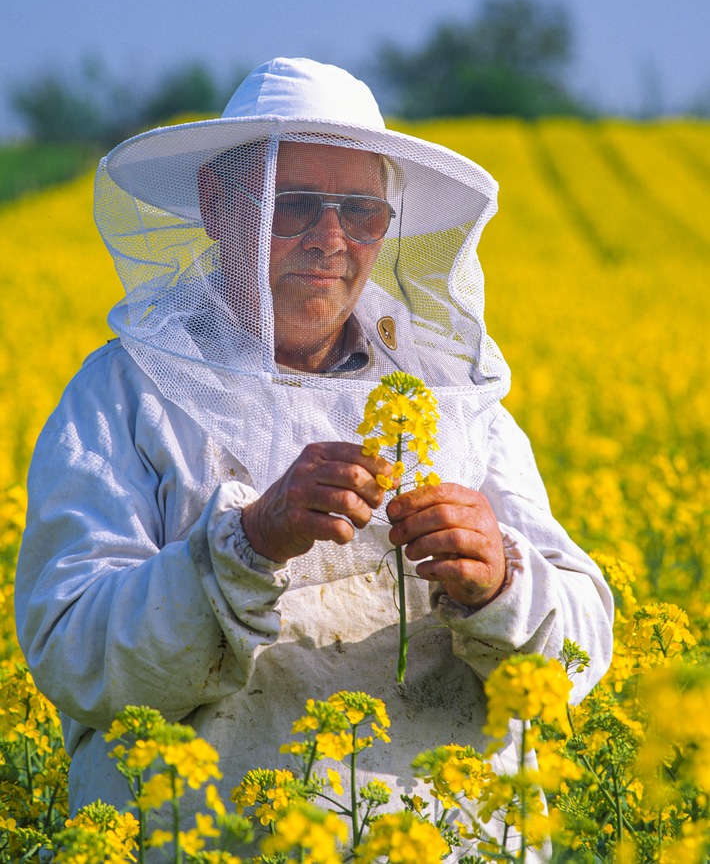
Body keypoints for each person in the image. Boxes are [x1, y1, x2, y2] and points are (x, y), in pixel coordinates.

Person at [16, 58, 613, 853]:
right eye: (292, 206)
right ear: (218, 206)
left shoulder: (453, 400)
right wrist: (247, 541)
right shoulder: (125, 395)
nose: (331, 242)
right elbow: (73, 655)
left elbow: (580, 654)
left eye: (362, 213)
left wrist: (499, 581)